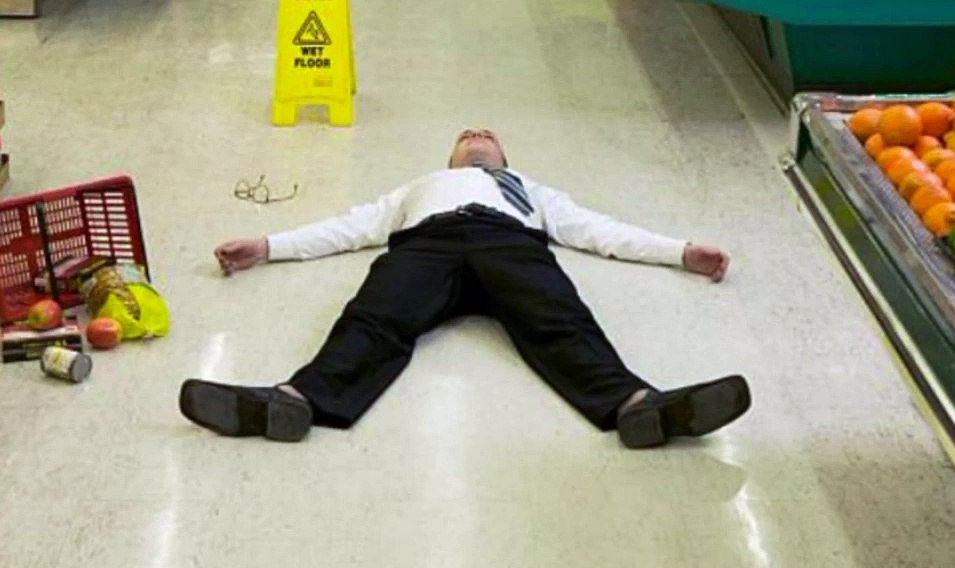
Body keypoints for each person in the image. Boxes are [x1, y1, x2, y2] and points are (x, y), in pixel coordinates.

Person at [179, 129, 751, 448]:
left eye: (488, 135)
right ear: (448, 161)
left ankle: (637, 406)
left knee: (560, 320)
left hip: (511, 244)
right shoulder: (422, 186)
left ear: (505, 158)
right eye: (464, 136)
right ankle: (296, 401)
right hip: (425, 245)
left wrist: (680, 252)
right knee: (373, 318)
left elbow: (600, 232)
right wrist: (269, 244)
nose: (477, 137)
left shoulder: (531, 189)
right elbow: (350, 227)